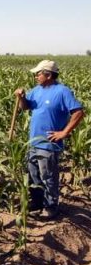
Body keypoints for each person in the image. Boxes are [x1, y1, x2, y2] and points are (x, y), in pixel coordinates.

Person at [14, 60, 85, 219]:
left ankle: (51, 208)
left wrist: (64, 132)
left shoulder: (62, 91)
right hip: (32, 142)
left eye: (38, 73)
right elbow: (25, 107)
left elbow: (78, 112)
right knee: (33, 176)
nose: (36, 76)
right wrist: (21, 97)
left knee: (48, 177)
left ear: (48, 74)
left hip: (48, 144)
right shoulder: (36, 90)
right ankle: (37, 203)